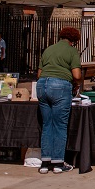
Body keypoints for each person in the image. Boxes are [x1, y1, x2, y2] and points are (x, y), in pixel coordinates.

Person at [36, 27, 83, 174]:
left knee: (47, 124)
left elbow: (39, 73)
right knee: (60, 125)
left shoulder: (48, 49)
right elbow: (76, 75)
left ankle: (45, 163)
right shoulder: (71, 51)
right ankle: (58, 162)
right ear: (74, 40)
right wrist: (78, 82)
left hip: (42, 85)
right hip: (60, 86)